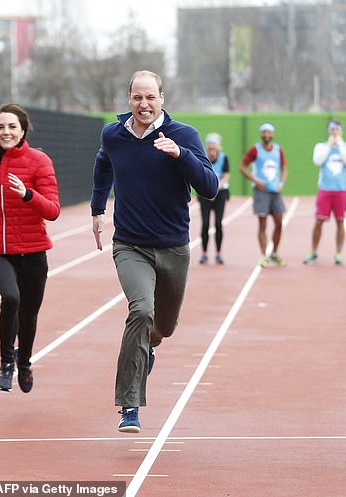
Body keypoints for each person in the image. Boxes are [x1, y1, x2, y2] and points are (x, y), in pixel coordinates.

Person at [91, 71, 218, 433]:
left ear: (162, 98)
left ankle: (149, 349)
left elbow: (209, 188)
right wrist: (98, 209)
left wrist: (181, 156)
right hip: (130, 244)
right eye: (137, 98)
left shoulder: (184, 136)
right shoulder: (113, 135)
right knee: (141, 310)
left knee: (162, 327)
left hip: (174, 248)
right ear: (128, 98)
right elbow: (103, 165)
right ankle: (130, 405)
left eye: (150, 97)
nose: (143, 104)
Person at [0, 103, 60, 394]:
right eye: (0, 127)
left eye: (12, 127)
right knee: (11, 297)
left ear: (23, 130)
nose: (6, 132)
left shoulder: (39, 161)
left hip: (33, 252)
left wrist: (28, 194)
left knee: (29, 314)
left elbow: (53, 210)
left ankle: (25, 361)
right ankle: (7, 363)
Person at [303, 119, 346, 265]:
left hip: (342, 190)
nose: (334, 132)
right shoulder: (321, 146)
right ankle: (313, 251)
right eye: (332, 129)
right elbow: (318, 161)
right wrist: (329, 145)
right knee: (319, 220)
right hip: (325, 189)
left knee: (340, 221)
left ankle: (338, 252)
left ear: (341, 131)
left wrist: (338, 144)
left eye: (337, 129)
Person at [240, 123, 288, 267]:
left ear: (273, 134)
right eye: (264, 132)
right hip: (261, 192)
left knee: (279, 223)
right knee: (262, 224)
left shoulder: (278, 150)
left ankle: (274, 253)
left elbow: (284, 168)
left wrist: (282, 182)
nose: (267, 135)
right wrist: (255, 180)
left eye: (269, 132)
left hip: (275, 191)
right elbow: (242, 167)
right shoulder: (255, 149)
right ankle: (263, 255)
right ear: (261, 134)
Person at [198, 133, 229, 265]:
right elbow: (199, 174)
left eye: (214, 144)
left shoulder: (223, 158)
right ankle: (204, 253)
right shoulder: (202, 157)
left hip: (220, 193)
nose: (212, 147)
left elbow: (226, 175)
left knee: (218, 223)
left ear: (218, 146)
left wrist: (216, 189)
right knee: (205, 224)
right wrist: (207, 189)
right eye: (209, 144)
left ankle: (218, 253)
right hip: (205, 194)